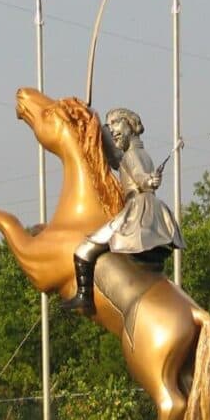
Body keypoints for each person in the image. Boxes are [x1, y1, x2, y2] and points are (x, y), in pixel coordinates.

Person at [62, 107, 185, 315]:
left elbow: (139, 176)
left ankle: (85, 298)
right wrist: (91, 122)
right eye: (110, 127)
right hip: (149, 210)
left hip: (137, 210)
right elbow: (114, 156)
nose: (113, 130)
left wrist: (148, 180)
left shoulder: (132, 156)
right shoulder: (136, 153)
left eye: (117, 124)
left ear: (130, 125)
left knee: (84, 250)